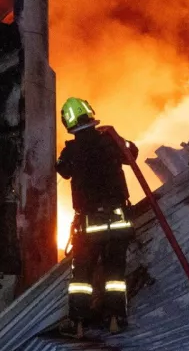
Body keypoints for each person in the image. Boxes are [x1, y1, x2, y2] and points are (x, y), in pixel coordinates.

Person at [56, 97, 139, 336]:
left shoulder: (71, 150)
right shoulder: (110, 142)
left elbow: (62, 170)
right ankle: (115, 319)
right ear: (90, 114)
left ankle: (78, 324)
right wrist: (116, 138)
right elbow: (131, 152)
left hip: (89, 225)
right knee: (115, 273)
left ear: (68, 122)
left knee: (82, 275)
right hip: (118, 220)